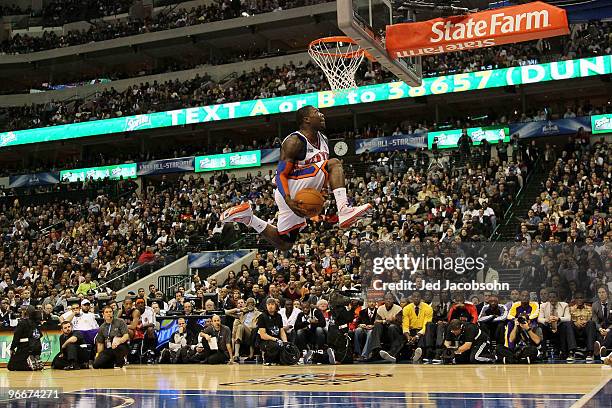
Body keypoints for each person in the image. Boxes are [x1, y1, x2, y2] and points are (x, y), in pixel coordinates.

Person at [221, 106, 372, 250]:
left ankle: (249, 218)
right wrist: (288, 199)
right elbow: (281, 174)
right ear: (306, 119)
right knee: (334, 164)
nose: (322, 115)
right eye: (317, 112)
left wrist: (323, 188)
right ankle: (344, 210)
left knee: (284, 243)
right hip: (291, 188)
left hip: (302, 190)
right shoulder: (295, 141)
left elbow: (322, 172)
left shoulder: (324, 139)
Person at [7, 306, 44, 371]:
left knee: (11, 366)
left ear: (25, 312)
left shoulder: (22, 322)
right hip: (37, 347)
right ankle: (35, 358)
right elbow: (39, 335)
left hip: (25, 347)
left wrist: (12, 348)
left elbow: (16, 337)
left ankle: (28, 363)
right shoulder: (36, 323)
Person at [257, 298, 288, 365]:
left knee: (286, 345)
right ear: (266, 306)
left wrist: (285, 342)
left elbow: (281, 331)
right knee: (275, 345)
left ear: (275, 306)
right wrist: (275, 339)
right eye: (269, 304)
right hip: (265, 341)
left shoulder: (279, 316)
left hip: (276, 339)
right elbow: (263, 335)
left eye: (272, 304)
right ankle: (267, 359)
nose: (270, 306)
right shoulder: (262, 316)